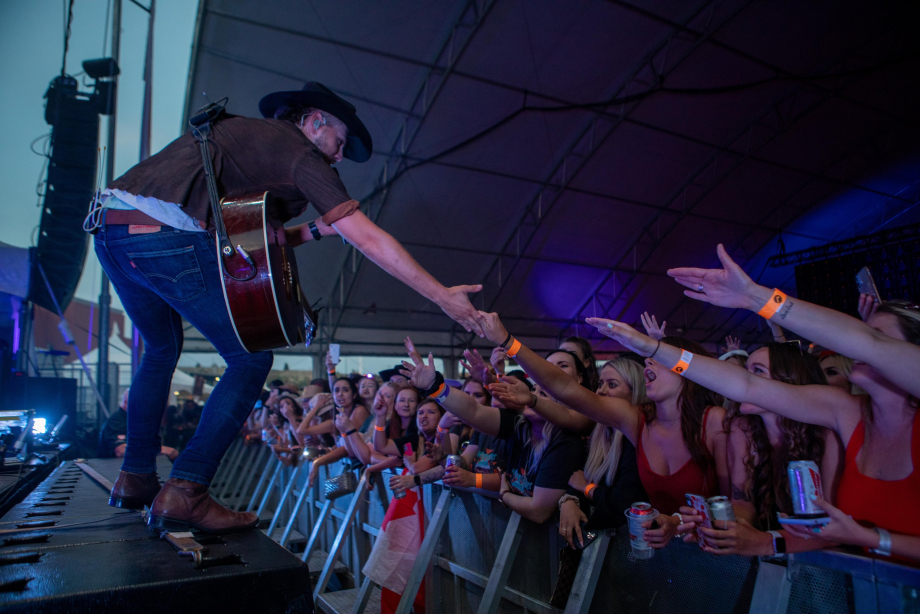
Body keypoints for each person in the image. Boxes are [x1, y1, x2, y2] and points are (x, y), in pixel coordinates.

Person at [95, 81, 487, 533]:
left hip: (113, 227)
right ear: (315, 122)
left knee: (160, 350)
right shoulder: (300, 153)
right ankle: (186, 490)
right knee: (248, 358)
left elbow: (258, 238)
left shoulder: (250, 141)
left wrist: (318, 231)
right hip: (166, 233)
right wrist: (443, 297)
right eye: (340, 142)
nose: (339, 156)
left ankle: (136, 476)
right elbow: (370, 240)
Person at [661, 244, 920, 561]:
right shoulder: (847, 412)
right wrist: (653, 349)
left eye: (875, 339)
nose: (856, 346)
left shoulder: (832, 429)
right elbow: (746, 385)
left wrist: (869, 538)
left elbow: (867, 343)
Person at [476, 311, 729, 548]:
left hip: (716, 554)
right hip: (658, 552)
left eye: (658, 362)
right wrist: (508, 342)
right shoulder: (637, 422)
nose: (649, 366)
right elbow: (565, 390)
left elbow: (741, 507)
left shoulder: (715, 421)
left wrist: (680, 522)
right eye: (648, 362)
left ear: (686, 371)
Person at [99, 390, 179, 495]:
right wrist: (159, 449)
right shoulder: (117, 421)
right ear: (127, 403)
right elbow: (120, 450)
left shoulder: (134, 419)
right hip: (110, 473)